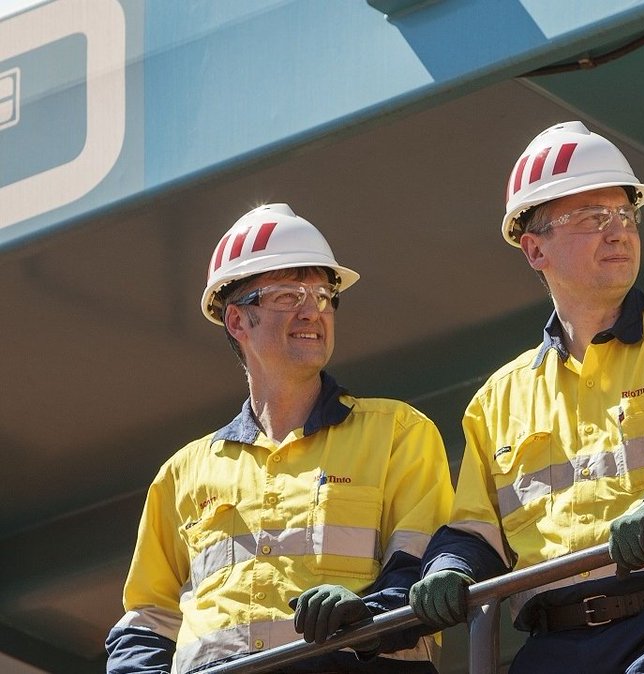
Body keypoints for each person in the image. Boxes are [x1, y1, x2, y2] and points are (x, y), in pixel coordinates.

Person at [407, 121, 644, 673]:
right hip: (552, 648)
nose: (618, 231)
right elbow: (476, 531)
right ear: (534, 249)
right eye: (592, 219)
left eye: (626, 215)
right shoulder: (495, 400)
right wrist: (447, 570)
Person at [105, 204, 454, 673]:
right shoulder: (182, 474)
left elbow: (422, 575)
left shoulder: (398, 433)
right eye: (289, 295)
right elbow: (147, 621)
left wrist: (365, 615)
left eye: (323, 294)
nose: (313, 310)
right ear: (237, 321)